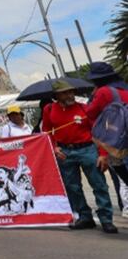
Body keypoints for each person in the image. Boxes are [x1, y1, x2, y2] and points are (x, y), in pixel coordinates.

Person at [43, 80, 117, 234]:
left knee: (99, 185)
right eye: (65, 92)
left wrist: (103, 154)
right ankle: (85, 217)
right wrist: (55, 148)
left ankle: (106, 219)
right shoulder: (49, 109)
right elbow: (47, 132)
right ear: (56, 95)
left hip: (88, 149)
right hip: (65, 152)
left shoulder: (84, 108)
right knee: (72, 187)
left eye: (71, 91)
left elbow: (99, 132)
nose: (70, 95)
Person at [84, 61, 128, 217]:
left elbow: (90, 113)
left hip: (119, 143)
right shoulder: (124, 88)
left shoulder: (103, 92)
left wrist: (93, 96)